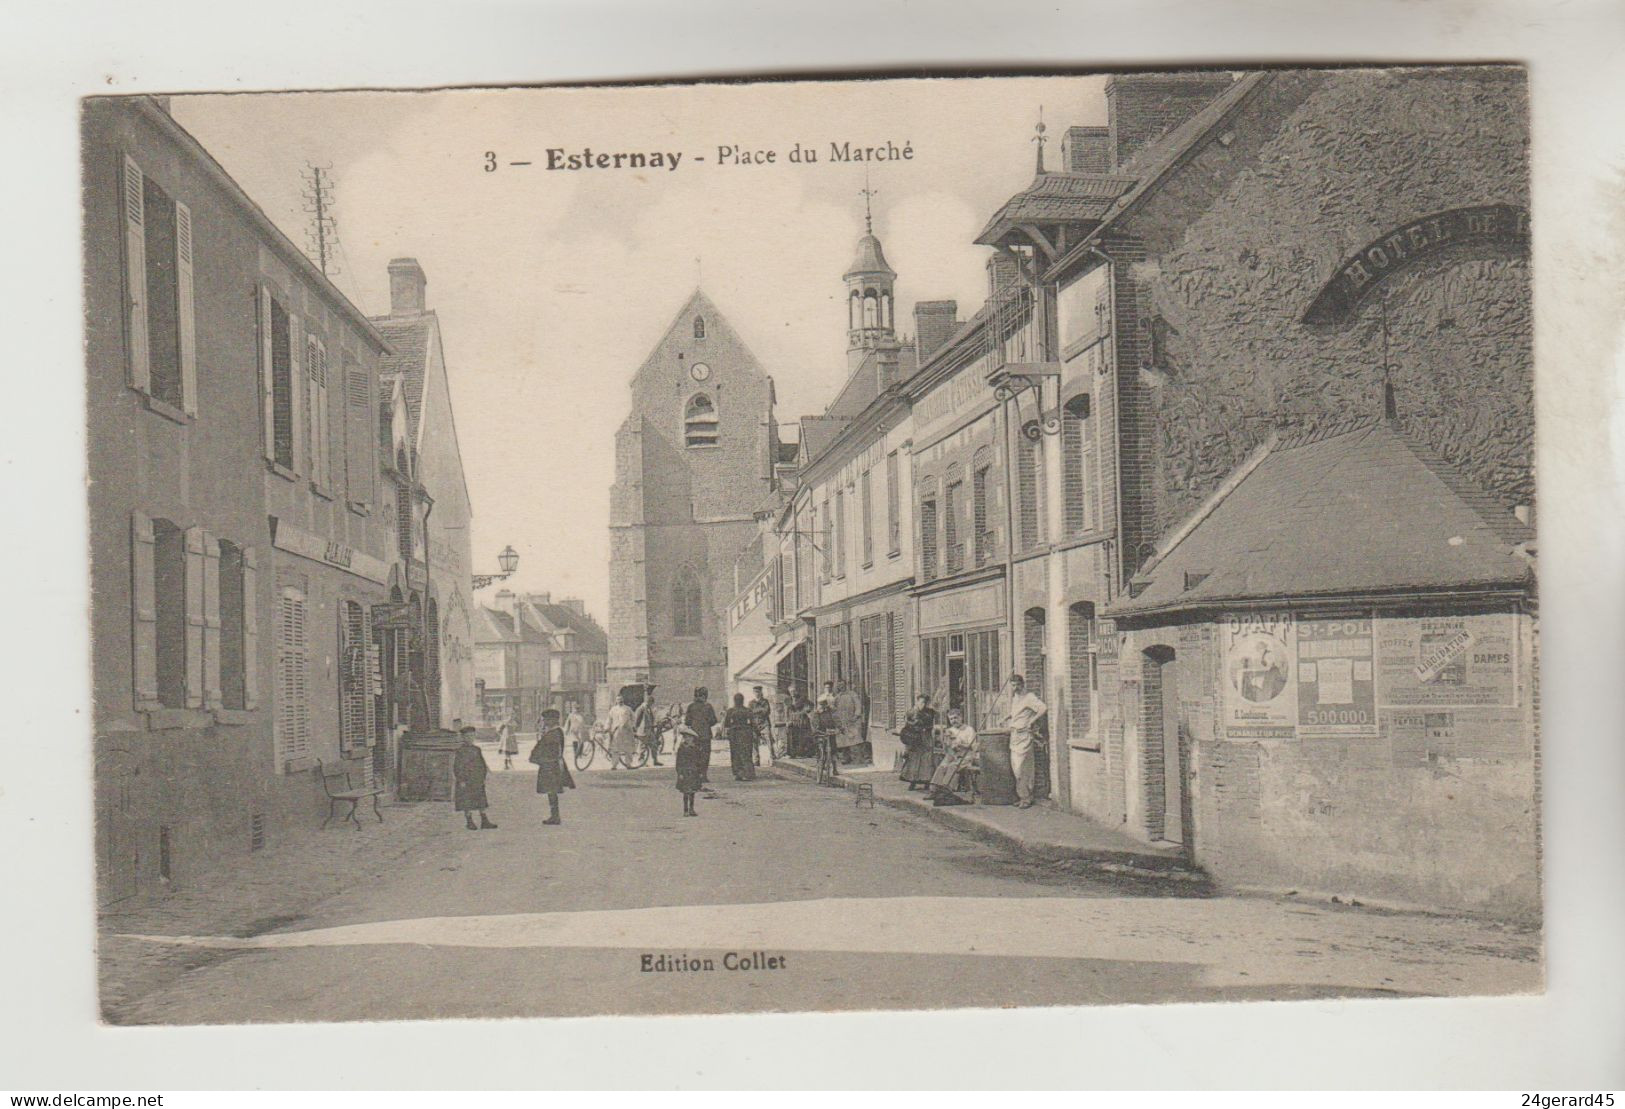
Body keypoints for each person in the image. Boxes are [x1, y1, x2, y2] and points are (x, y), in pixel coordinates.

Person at [1003, 673, 1048, 809]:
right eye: (1013, 685)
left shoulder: (1030, 697)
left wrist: (1031, 721)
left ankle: (1026, 798)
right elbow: (1016, 712)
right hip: (1014, 734)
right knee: (1016, 767)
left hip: (1024, 735)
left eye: (1017, 685)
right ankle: (1023, 795)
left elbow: (1043, 708)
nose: (1015, 688)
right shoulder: (1016, 697)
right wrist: (1006, 718)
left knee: (1023, 767)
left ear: (1022, 684)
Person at [529, 708, 574, 825]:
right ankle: (554, 815)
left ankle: (555, 816)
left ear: (552, 720)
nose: (543, 722)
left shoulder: (553, 733)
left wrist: (539, 759)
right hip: (551, 764)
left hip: (550, 766)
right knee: (551, 791)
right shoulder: (554, 732)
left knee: (551, 790)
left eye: (545, 720)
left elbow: (549, 750)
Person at [929, 709, 979, 806]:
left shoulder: (969, 729)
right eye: (951, 719)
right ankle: (934, 790)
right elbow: (947, 749)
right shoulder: (950, 731)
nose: (954, 721)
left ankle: (946, 790)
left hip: (966, 755)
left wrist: (961, 744)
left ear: (961, 717)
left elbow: (973, 747)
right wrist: (946, 742)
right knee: (942, 767)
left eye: (956, 718)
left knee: (952, 767)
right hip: (953, 755)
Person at [452, 726, 496, 830]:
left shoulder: (477, 749)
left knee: (481, 799)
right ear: (463, 737)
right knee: (466, 801)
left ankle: (484, 821)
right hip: (466, 780)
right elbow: (457, 766)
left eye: (472, 736)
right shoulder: (460, 751)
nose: (470, 738)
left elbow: (481, 762)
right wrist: (461, 780)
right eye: (467, 736)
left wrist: (485, 771)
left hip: (477, 778)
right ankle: (469, 821)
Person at [897, 694, 939, 791]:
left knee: (927, 760)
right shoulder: (911, 712)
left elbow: (933, 723)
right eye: (921, 702)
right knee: (914, 760)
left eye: (925, 703)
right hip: (915, 738)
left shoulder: (930, 712)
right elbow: (907, 725)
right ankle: (913, 782)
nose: (923, 705)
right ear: (917, 702)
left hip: (926, 738)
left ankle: (927, 782)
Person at [684, 687, 718, 790]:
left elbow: (687, 722)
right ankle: (703, 775)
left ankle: (695, 775)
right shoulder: (708, 707)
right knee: (705, 756)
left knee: (694, 755)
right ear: (704, 696)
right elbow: (714, 721)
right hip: (705, 735)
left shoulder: (691, 706)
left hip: (694, 735)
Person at [723, 693, 758, 782]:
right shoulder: (747, 710)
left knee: (735, 754)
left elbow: (726, 724)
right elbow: (753, 723)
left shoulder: (730, 711)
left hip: (734, 734)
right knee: (746, 753)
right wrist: (757, 733)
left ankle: (738, 773)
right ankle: (748, 773)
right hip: (746, 733)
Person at [674, 725, 703, 817]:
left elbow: (699, 761)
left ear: (693, 738)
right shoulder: (682, 749)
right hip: (685, 772)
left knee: (693, 792)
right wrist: (680, 773)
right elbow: (679, 762)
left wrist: (701, 772)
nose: (687, 739)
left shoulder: (696, 749)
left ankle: (692, 809)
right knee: (686, 792)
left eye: (689, 737)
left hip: (694, 772)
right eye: (685, 737)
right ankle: (685, 810)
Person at [833, 680, 864, 765]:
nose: (841, 687)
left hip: (852, 720)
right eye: (839, 686)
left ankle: (858, 758)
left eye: (842, 685)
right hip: (842, 721)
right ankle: (846, 758)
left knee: (855, 739)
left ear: (846, 685)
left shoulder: (852, 694)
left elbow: (858, 705)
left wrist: (856, 715)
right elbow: (833, 707)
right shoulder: (838, 696)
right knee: (843, 740)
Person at [633, 684, 664, 766]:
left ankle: (655, 760)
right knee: (643, 747)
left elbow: (651, 719)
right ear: (647, 701)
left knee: (654, 745)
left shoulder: (648, 708)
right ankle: (641, 760)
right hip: (642, 731)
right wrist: (635, 729)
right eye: (650, 702)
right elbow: (637, 720)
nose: (651, 704)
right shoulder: (641, 709)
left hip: (649, 730)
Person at [606, 693, 637, 769]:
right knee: (615, 749)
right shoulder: (613, 709)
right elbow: (609, 719)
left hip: (626, 731)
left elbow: (634, 718)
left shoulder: (627, 709)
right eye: (618, 699)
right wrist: (607, 727)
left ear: (623, 700)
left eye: (621, 699)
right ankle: (614, 765)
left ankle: (628, 764)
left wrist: (632, 725)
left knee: (628, 748)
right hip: (616, 731)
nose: (619, 701)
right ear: (616, 701)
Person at [747, 686, 772, 764]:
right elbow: (749, 713)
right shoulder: (751, 703)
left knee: (769, 740)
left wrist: (755, 711)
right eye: (755, 692)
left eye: (758, 691)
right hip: (754, 724)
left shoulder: (765, 702)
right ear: (753, 693)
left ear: (761, 692)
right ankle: (756, 760)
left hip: (764, 723)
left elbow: (766, 711)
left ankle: (772, 757)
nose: (757, 693)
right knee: (754, 742)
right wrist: (760, 710)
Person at [786, 692, 815, 759]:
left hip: (803, 719)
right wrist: (788, 721)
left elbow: (811, 705)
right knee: (794, 737)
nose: (792, 692)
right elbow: (788, 712)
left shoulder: (803, 699)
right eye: (791, 691)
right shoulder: (788, 700)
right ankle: (793, 753)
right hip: (793, 720)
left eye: (794, 690)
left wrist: (807, 710)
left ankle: (806, 753)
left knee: (804, 737)